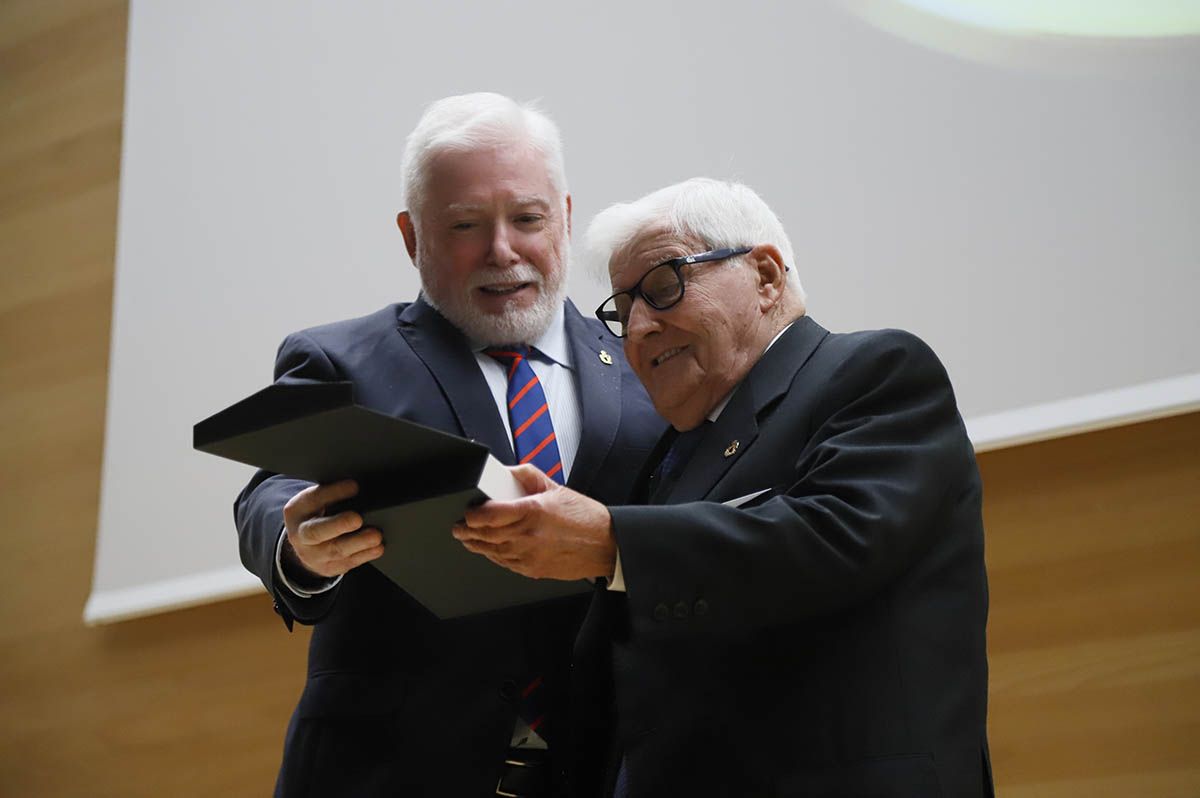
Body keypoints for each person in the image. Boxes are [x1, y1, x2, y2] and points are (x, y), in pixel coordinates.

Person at [454, 178, 994, 796]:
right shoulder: (663, 460)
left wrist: (612, 542)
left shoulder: (875, 374)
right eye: (623, 310)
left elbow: (833, 537)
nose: (638, 329)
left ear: (765, 276)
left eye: (663, 287)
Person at [234, 93, 663, 797]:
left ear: (566, 216)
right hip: (387, 771)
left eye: (527, 219)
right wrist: (299, 548)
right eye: (465, 224)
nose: (502, 251)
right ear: (412, 237)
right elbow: (271, 491)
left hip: (602, 768)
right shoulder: (341, 360)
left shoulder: (650, 368)